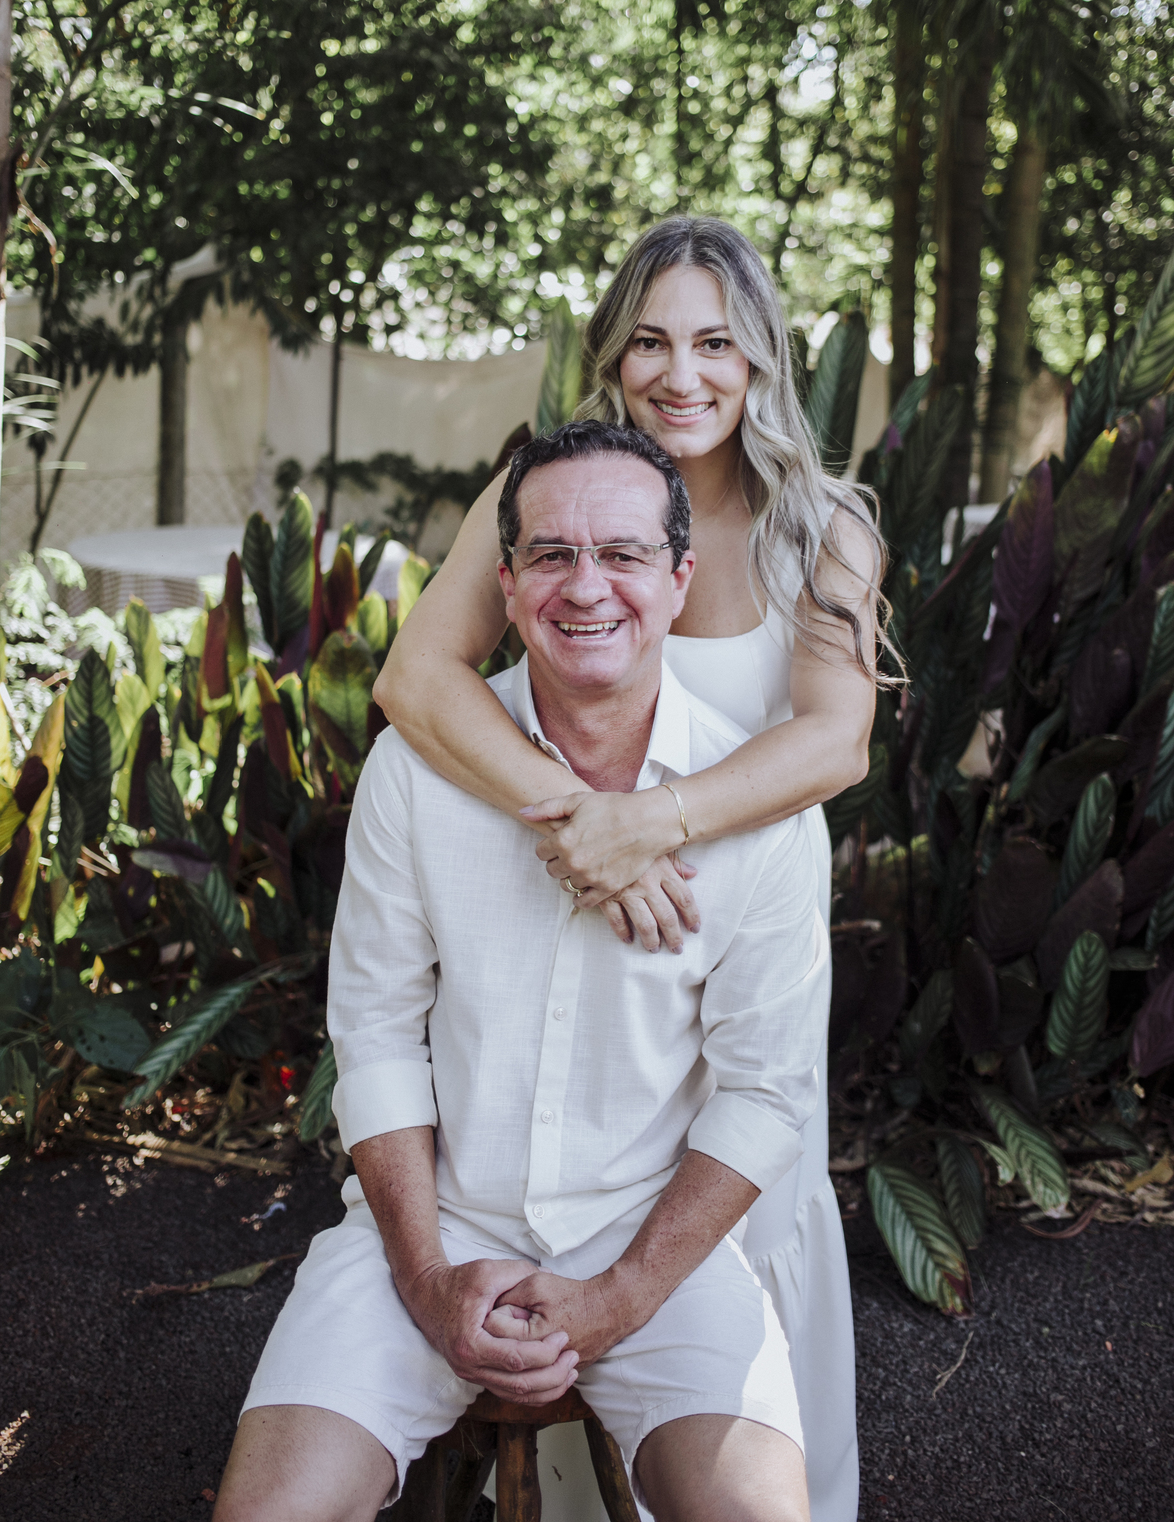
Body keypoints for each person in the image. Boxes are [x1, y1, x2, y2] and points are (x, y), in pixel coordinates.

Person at [374, 217, 894, 1522]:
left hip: (734, 926)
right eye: (651, 341)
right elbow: (415, 679)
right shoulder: (543, 496)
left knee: (745, 1219)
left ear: (760, 359)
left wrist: (649, 824)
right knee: (563, 1194)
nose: (682, 373)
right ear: (612, 355)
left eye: (716, 342)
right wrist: (579, 823)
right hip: (565, 906)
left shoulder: (822, 527)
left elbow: (834, 741)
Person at [214, 421, 830, 1522]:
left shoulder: (761, 810)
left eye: (624, 554)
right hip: (433, 1225)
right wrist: (424, 1277)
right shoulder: (416, 774)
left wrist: (620, 1295)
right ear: (503, 583)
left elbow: (766, 1092)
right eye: (551, 554)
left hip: (654, 1242)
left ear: (681, 580)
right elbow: (376, 1033)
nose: (586, 586)